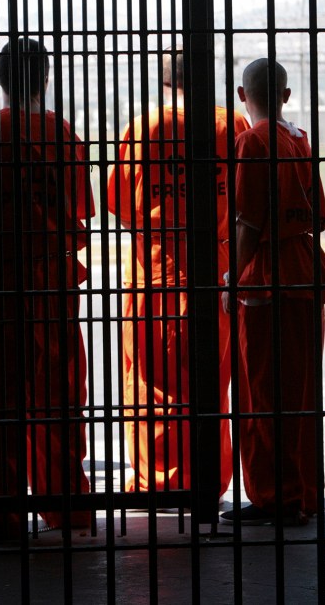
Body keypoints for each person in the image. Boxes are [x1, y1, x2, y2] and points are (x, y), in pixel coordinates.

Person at [0, 37, 94, 539]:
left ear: (1, 80)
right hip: (51, 280)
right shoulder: (64, 135)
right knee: (58, 396)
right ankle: (67, 504)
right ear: (45, 79)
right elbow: (80, 210)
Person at [107, 48, 250, 501]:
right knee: (212, 378)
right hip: (216, 266)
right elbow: (248, 197)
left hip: (155, 267)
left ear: (165, 81)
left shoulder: (143, 128)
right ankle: (207, 475)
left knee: (150, 380)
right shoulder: (232, 125)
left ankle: (156, 481)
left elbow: (121, 205)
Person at [219, 58, 325, 527]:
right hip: (306, 269)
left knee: (263, 394)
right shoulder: (300, 141)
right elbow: (319, 214)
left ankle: (275, 496)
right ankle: (303, 490)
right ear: (286, 96)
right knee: (301, 391)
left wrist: (232, 276)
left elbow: (248, 221)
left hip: (267, 276)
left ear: (241, 96)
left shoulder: (252, 142)